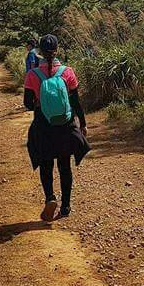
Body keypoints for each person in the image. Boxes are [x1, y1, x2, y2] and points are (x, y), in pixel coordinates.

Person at [23, 33, 89, 221]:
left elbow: (28, 104)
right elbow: (76, 101)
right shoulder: (67, 72)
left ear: (40, 53)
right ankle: (66, 206)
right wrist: (82, 123)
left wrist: (38, 101)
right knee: (64, 166)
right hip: (65, 125)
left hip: (43, 125)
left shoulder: (32, 75)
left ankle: (50, 198)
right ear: (57, 50)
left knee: (46, 164)